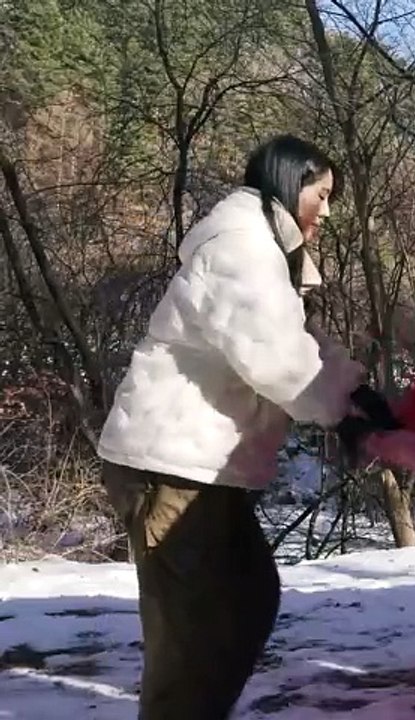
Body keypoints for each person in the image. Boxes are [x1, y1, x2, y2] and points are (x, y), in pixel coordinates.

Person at [95, 134, 383, 719]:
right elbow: (277, 359)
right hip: (168, 466)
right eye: (321, 194)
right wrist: (336, 408)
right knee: (196, 641)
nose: (327, 210)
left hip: (198, 468)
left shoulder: (265, 252)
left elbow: (300, 342)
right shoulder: (241, 249)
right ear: (287, 180)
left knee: (246, 599)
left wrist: (355, 394)